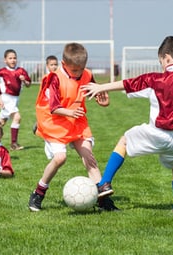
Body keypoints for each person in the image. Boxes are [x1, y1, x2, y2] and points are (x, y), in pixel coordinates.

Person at [81, 35, 173, 214]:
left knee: (124, 141)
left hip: (159, 134)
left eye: (161, 60)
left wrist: (101, 87)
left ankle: (104, 183)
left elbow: (128, 84)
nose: (161, 64)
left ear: (167, 57)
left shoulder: (155, 79)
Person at [29, 42, 118, 212]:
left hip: (77, 121)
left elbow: (96, 91)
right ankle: (38, 193)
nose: (79, 73)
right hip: (54, 122)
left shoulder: (86, 74)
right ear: (64, 65)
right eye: (75, 70)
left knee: (89, 156)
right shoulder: (54, 79)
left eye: (81, 69)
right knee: (60, 158)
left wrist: (103, 100)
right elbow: (54, 107)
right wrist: (69, 113)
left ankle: (103, 201)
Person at [0, 49, 31, 151]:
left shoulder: (21, 71)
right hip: (6, 98)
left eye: (14, 58)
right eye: (10, 58)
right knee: (17, 117)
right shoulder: (1, 72)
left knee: (1, 122)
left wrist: (24, 80)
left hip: (15, 99)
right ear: (5, 60)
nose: (13, 60)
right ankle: (13, 144)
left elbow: (29, 85)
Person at [32, 55, 59, 135]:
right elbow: (42, 91)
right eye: (52, 65)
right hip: (47, 103)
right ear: (47, 66)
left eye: (55, 65)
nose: (54, 67)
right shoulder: (45, 78)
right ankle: (38, 126)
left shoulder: (59, 77)